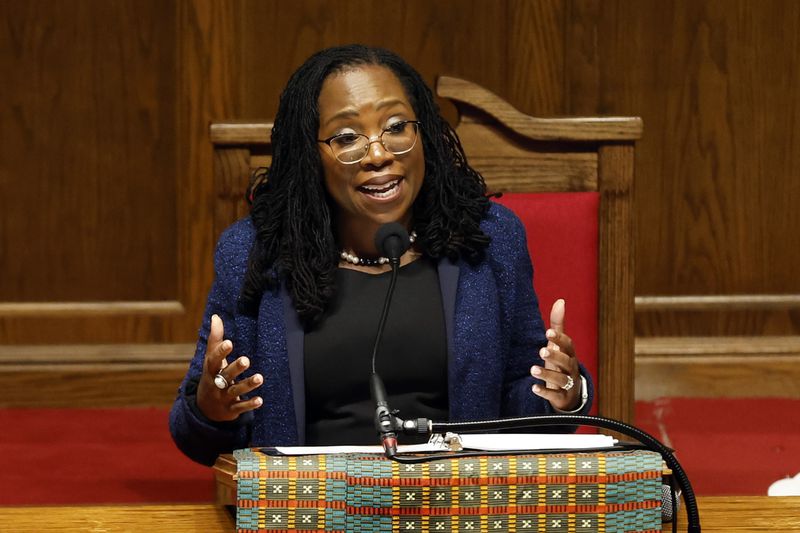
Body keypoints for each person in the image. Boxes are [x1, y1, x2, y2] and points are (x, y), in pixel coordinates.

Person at [169, 44, 593, 466]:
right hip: (314, 510)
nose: (378, 154)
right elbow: (196, 435)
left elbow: (521, 412)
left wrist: (563, 392)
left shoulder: (487, 240)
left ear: (422, 131)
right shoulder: (255, 252)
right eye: (347, 137)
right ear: (309, 154)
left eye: (396, 126)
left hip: (456, 505)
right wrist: (212, 409)